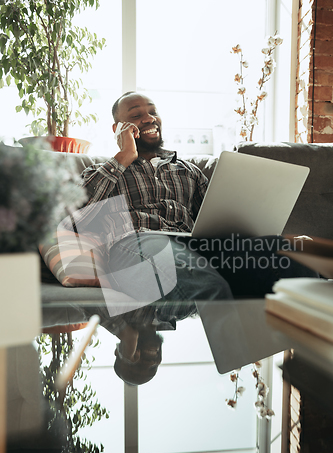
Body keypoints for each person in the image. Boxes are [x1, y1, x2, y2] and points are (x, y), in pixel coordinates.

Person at [77, 91, 316, 302]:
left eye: (153, 112)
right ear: (117, 127)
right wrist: (125, 155)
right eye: (136, 115)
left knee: (289, 254)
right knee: (203, 280)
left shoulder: (189, 172)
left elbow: (215, 223)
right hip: (136, 243)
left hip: (190, 245)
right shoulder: (102, 172)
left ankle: (307, 347)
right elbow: (79, 216)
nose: (149, 118)